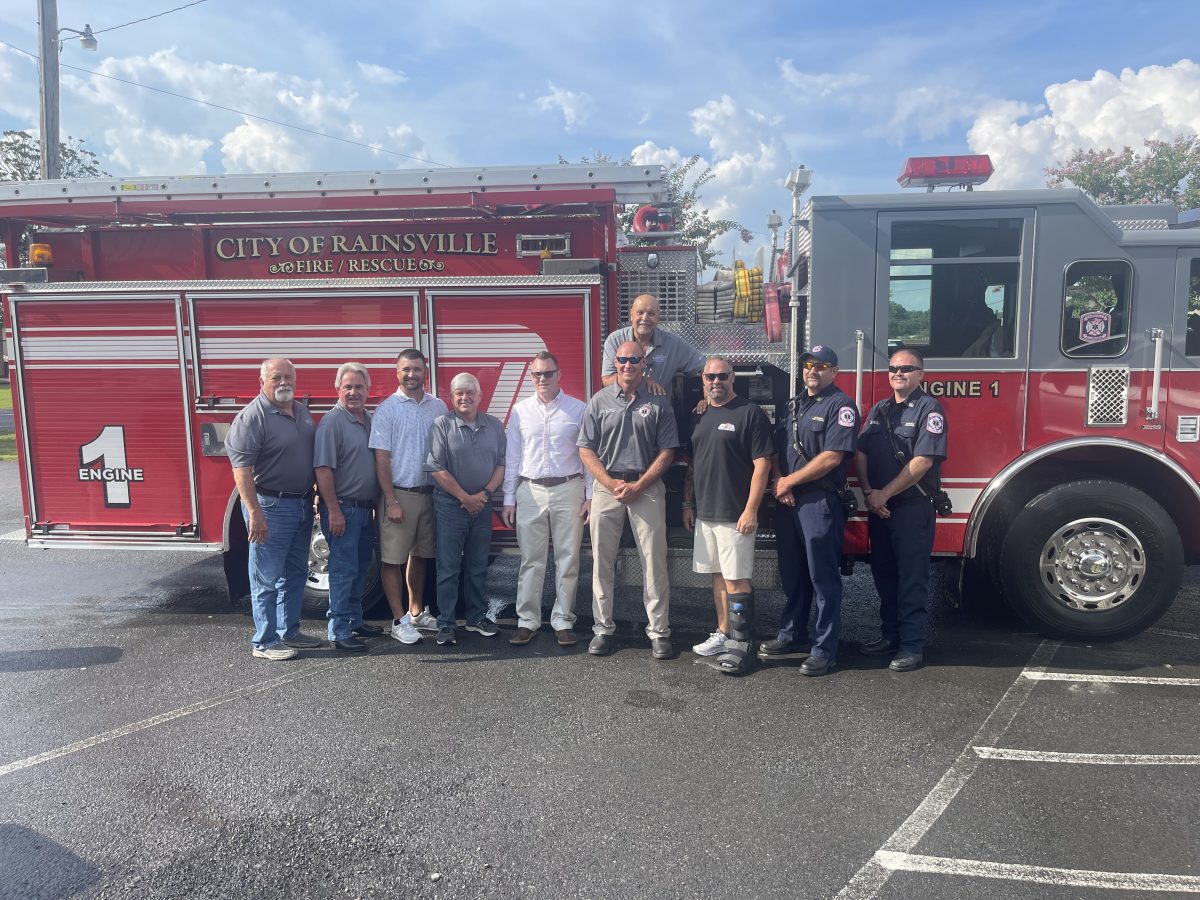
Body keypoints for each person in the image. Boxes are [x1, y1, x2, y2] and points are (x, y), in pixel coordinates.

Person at [761, 345, 859, 677]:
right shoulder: (793, 405)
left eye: (821, 366)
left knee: (822, 577)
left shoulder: (841, 406)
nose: (812, 371)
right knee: (793, 575)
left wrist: (789, 482)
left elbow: (833, 456)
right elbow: (777, 450)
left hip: (819, 502)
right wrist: (779, 482)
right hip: (788, 502)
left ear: (834, 371)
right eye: (807, 366)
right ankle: (792, 634)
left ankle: (824, 648)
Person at [578, 340, 679, 659]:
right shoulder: (599, 400)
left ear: (643, 364)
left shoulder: (659, 400)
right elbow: (585, 449)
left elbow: (668, 452)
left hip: (646, 488)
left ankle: (659, 632)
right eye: (621, 359)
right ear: (616, 362)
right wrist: (609, 482)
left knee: (654, 562)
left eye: (634, 359)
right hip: (608, 489)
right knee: (602, 563)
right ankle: (602, 629)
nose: (627, 365)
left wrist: (639, 485)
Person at [856, 348, 948, 672]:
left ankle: (911, 646)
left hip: (911, 509)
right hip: (880, 508)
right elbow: (862, 451)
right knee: (884, 576)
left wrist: (884, 494)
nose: (898, 373)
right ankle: (890, 636)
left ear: (921, 374)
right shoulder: (880, 410)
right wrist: (869, 492)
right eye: (893, 368)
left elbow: (923, 461)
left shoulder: (929, 409)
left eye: (907, 368)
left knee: (912, 579)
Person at [681, 356, 773, 674]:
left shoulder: (750, 414)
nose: (716, 382)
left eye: (722, 376)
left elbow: (763, 464)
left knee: (737, 579)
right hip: (705, 512)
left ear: (733, 377)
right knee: (718, 576)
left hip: (736, 514)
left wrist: (751, 509)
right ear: (702, 379)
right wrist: (687, 503)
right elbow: (694, 463)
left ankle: (742, 645)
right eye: (710, 377)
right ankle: (723, 633)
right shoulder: (698, 415)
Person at [226, 358, 323, 660]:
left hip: (302, 503)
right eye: (277, 378)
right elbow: (241, 470)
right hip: (270, 505)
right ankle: (264, 641)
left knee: (294, 573)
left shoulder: (301, 411)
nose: (284, 383)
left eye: (289, 378)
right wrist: (254, 513)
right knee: (266, 577)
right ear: (262, 382)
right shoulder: (252, 417)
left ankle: (289, 631)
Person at [501, 352, 591, 647]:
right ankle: (527, 620)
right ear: (531, 377)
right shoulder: (519, 411)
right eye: (537, 374)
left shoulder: (578, 409)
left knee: (568, 559)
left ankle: (563, 620)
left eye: (548, 373)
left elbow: (588, 455)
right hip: (530, 490)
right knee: (531, 560)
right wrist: (509, 498)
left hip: (569, 488)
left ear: (559, 375)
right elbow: (512, 456)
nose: (542, 379)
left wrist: (589, 495)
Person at [369, 350, 447, 645]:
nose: (411, 374)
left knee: (421, 555)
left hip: (430, 494)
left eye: (416, 369)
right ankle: (398, 619)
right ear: (397, 372)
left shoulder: (438, 406)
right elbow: (381, 460)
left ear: (425, 371)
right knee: (392, 559)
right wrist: (391, 500)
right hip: (400, 494)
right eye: (406, 369)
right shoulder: (387, 410)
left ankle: (416, 612)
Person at [427, 373, 506, 646]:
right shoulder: (441, 425)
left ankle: (475, 618)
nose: (465, 397)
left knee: (477, 565)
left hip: (482, 506)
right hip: (450, 506)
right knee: (448, 567)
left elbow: (501, 465)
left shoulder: (494, 425)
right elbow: (436, 467)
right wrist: (465, 497)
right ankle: (446, 623)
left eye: (470, 392)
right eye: (459, 393)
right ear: (451, 397)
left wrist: (483, 495)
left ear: (480, 396)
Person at [313, 362, 381, 653]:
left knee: (361, 568)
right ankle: (338, 630)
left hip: (365, 509)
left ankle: (354, 619)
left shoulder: (368, 419)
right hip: (344, 509)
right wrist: (334, 511)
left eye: (359, 386)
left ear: (368, 389)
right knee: (343, 570)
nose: (354, 392)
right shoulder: (332, 422)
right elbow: (323, 470)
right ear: (337, 389)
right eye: (347, 387)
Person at [601, 293, 704, 402]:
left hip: (658, 413)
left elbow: (704, 367)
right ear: (631, 315)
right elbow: (607, 380)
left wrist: (708, 397)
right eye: (640, 312)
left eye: (651, 313)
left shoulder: (673, 344)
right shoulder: (615, 340)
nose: (645, 318)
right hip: (622, 410)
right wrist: (643, 381)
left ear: (658, 318)